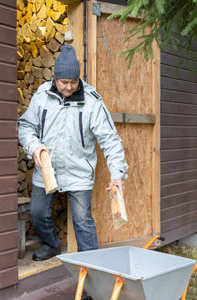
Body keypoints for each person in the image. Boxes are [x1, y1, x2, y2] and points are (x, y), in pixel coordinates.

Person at [18, 45, 128, 261]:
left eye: (73, 82)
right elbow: (25, 126)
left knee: (82, 222)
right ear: (55, 78)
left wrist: (117, 174)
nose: (68, 87)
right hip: (47, 169)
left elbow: (111, 140)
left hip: (79, 171)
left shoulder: (93, 102)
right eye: (63, 82)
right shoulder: (42, 95)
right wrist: (34, 146)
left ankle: (91, 273)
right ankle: (51, 244)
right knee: (37, 213)